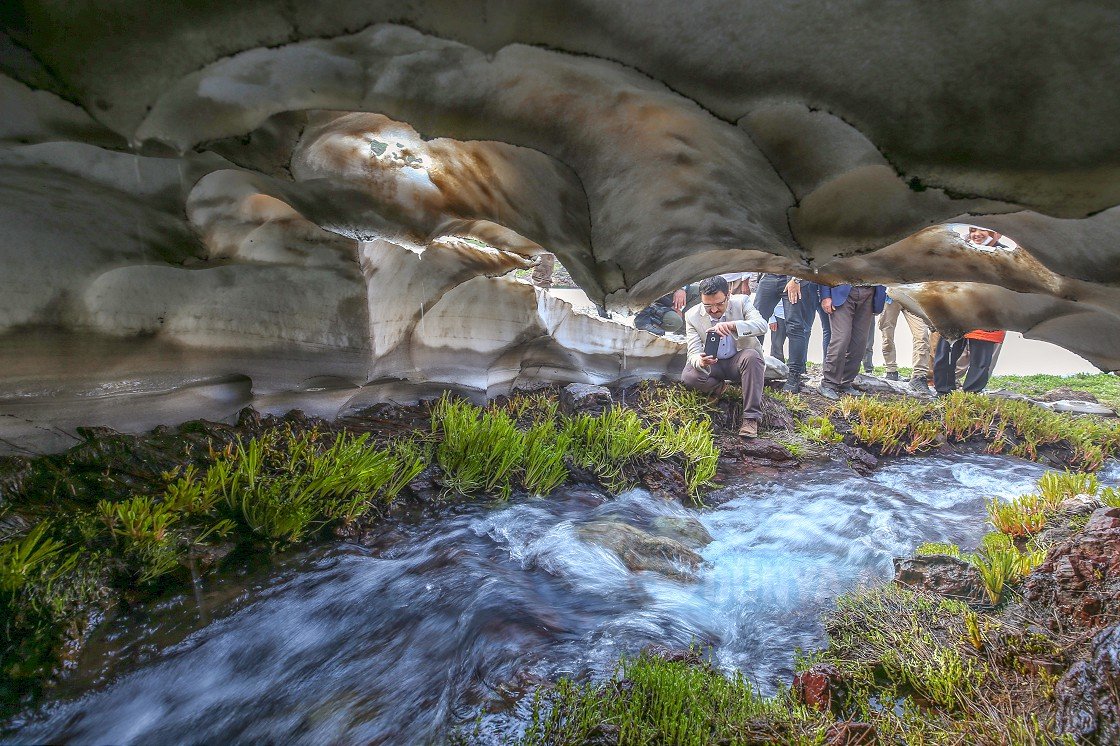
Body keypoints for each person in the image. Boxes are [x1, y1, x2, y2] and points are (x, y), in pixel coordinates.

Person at [681, 276, 768, 438]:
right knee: (689, 375)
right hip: (713, 364)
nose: (713, 310)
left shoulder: (742, 302)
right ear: (701, 299)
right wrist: (700, 361)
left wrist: (733, 326)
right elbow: (692, 352)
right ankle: (719, 387)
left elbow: (762, 326)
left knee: (752, 357)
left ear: (728, 295)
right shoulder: (692, 315)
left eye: (719, 304)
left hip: (738, 360)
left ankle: (751, 418)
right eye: (708, 305)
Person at [818, 283, 887, 400]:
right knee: (841, 338)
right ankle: (828, 383)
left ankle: (845, 382)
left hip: (869, 293)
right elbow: (825, 267)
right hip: (842, 291)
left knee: (860, 342)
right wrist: (825, 296)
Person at [753, 273, 813, 393]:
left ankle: (794, 375)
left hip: (792, 276)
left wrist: (796, 279)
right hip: (769, 274)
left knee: (795, 326)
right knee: (756, 321)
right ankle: (752, 367)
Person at [878, 293, 933, 393]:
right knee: (887, 335)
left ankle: (919, 376)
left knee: (922, 335)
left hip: (912, 295)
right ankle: (891, 370)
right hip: (891, 294)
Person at [933, 328, 1005, 395]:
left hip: (984, 322)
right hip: (954, 319)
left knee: (980, 360)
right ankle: (944, 392)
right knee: (946, 353)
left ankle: (970, 394)